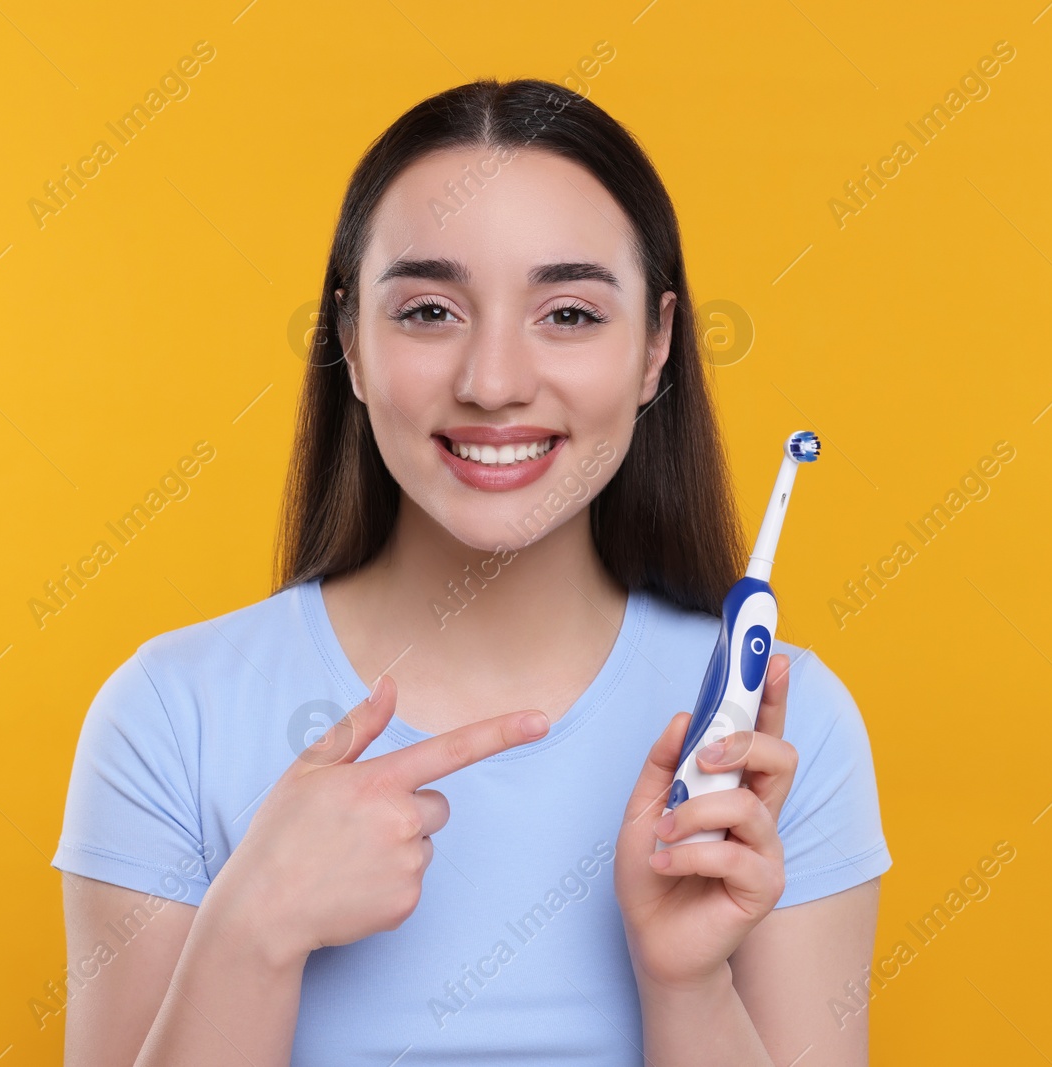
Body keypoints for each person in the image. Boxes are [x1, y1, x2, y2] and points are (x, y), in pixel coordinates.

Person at [52, 77, 890, 1066]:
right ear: (351, 345)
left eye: (569, 313)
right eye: (429, 310)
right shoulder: (171, 716)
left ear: (656, 346)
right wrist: (251, 930)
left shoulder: (779, 741)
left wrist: (686, 981)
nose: (492, 382)